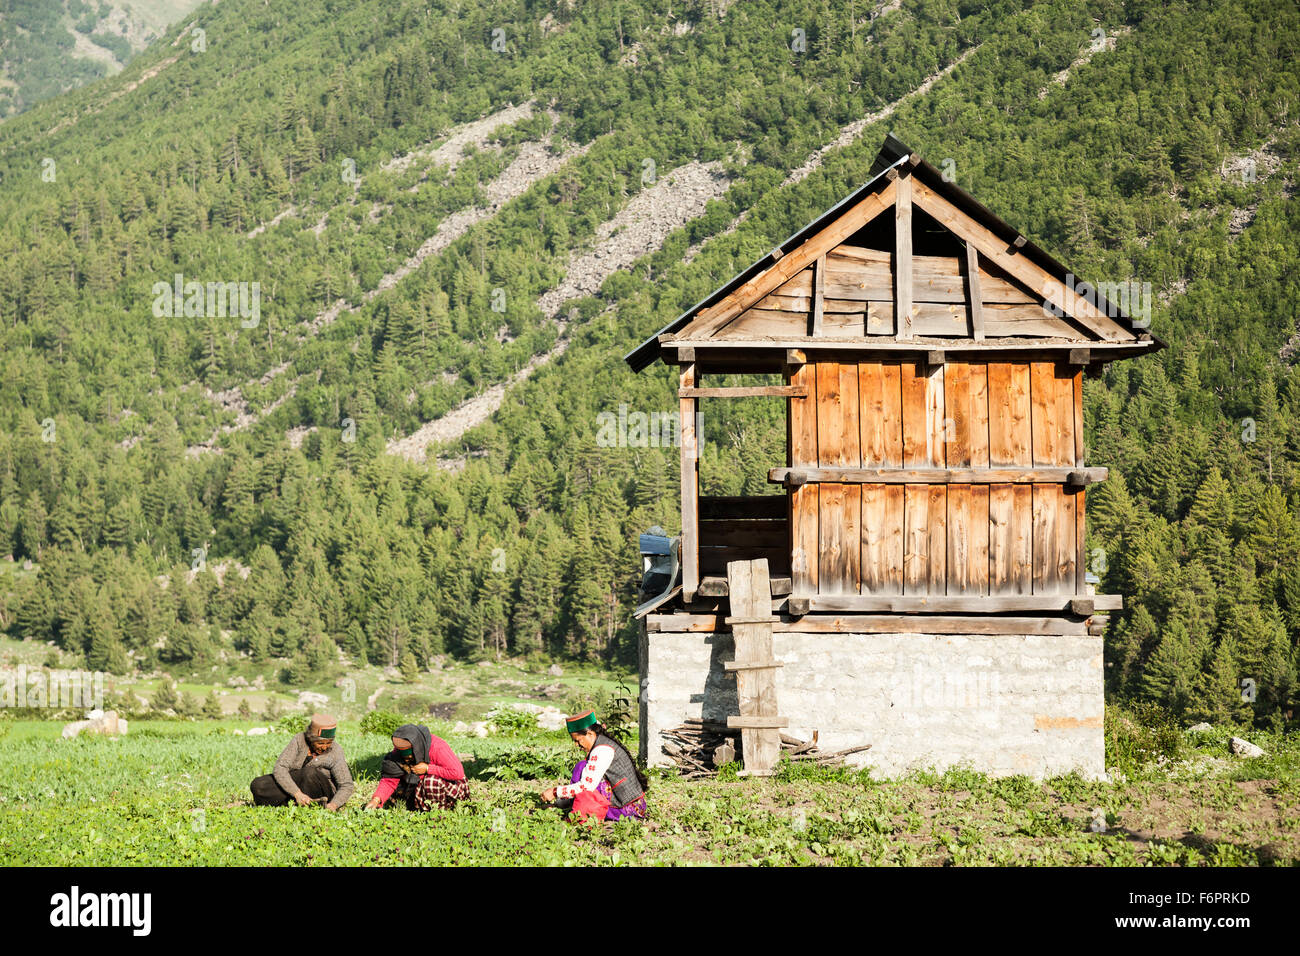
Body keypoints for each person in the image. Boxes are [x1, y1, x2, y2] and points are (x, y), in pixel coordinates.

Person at [540, 710, 648, 823]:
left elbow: (586, 787)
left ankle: (581, 813)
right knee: (582, 766)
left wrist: (555, 792)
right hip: (626, 804)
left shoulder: (602, 750)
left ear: (590, 734)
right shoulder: (602, 743)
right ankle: (571, 805)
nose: (576, 745)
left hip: (626, 810)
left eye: (578, 740)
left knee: (582, 769)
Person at [250, 713, 354, 810]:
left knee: (310, 773)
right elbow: (280, 767)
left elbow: (346, 785)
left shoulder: (336, 751)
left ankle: (311, 804)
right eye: (320, 743)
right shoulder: (299, 740)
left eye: (329, 742)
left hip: (322, 791)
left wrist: (333, 805)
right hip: (297, 788)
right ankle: (297, 802)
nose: (325, 747)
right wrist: (297, 794)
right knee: (258, 785)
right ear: (311, 738)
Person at [364, 723, 469, 811]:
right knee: (400, 782)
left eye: (410, 756)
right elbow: (390, 779)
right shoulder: (399, 752)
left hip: (453, 786)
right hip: (422, 786)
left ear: (417, 748)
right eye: (404, 756)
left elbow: (457, 773)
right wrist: (377, 799)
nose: (407, 759)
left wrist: (428, 768)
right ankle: (419, 807)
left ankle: (440, 811)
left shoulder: (437, 747)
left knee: (431, 781)